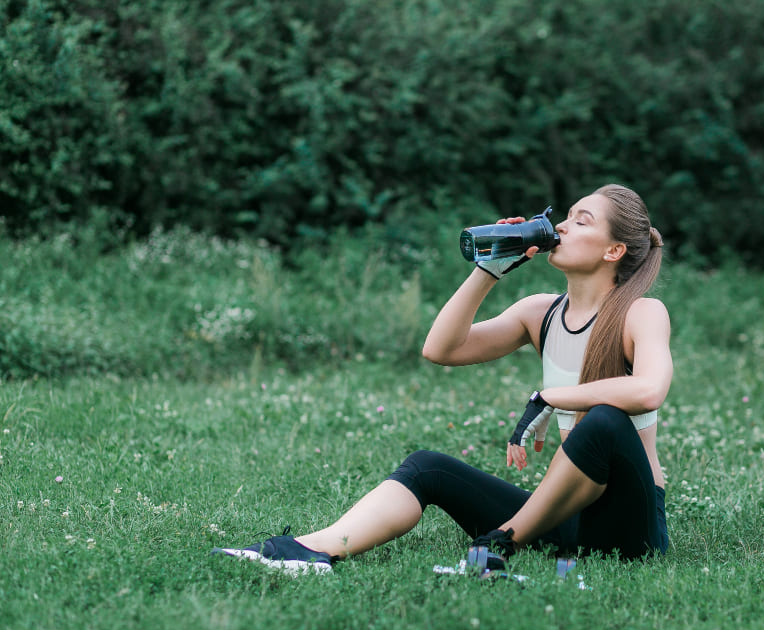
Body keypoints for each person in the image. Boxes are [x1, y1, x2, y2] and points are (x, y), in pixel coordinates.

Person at [213, 184, 673, 574]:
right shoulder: (542, 312)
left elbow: (649, 389)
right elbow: (442, 349)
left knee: (605, 420)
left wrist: (551, 395)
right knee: (427, 466)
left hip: (630, 528)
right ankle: (313, 551)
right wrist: (488, 270)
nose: (563, 227)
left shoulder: (641, 313)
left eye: (582, 221)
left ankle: (500, 542)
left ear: (615, 251)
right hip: (567, 519)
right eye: (566, 218)